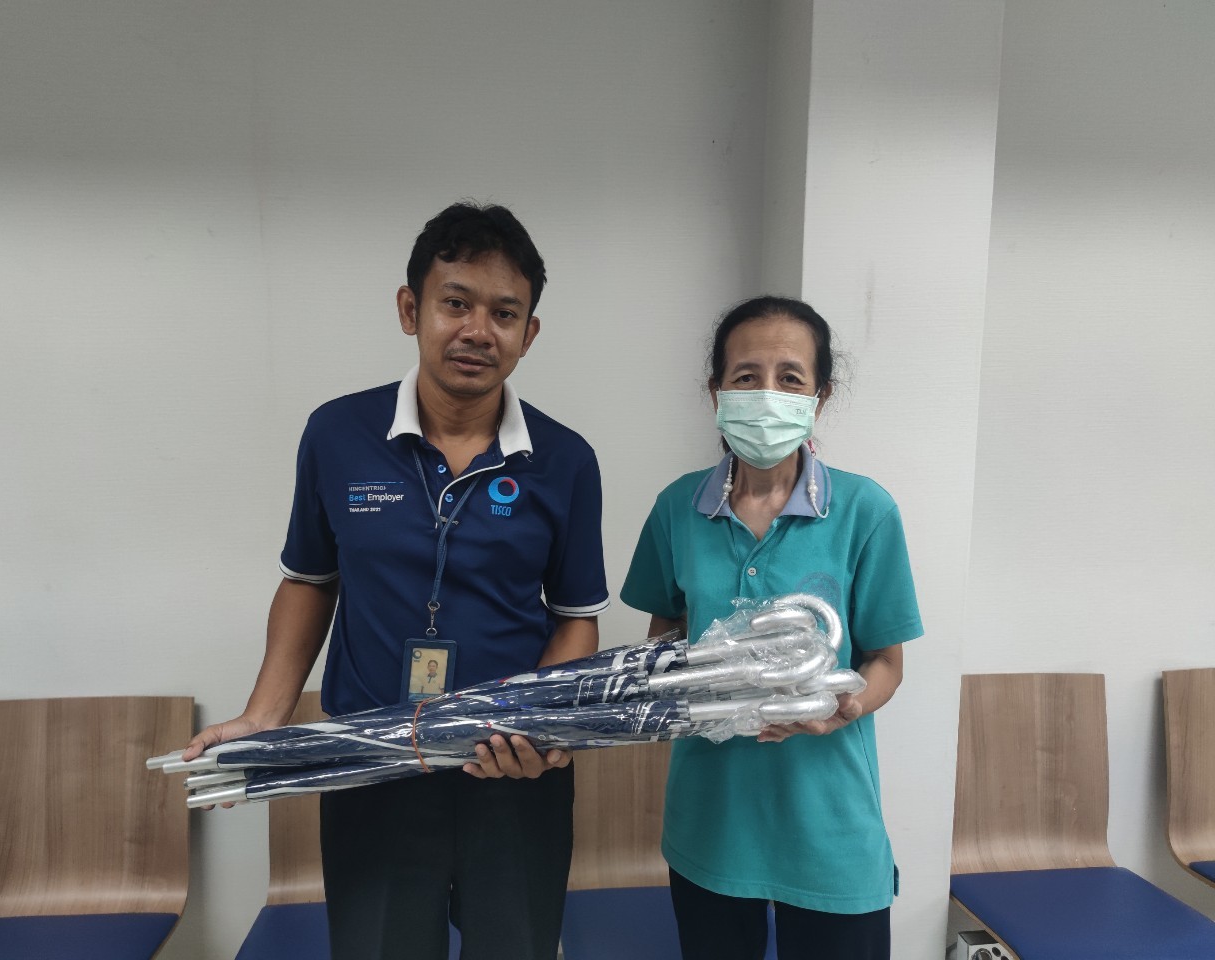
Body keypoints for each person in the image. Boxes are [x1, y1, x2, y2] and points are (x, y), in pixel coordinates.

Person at [181, 202, 609, 960]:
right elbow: (310, 580)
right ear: (411, 310)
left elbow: (575, 616)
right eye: (456, 303)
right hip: (373, 761)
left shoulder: (565, 460)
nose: (478, 330)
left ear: (529, 333)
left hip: (508, 770)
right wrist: (265, 713)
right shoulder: (338, 433)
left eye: (504, 313)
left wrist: (539, 724)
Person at [620, 296, 921, 960]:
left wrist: (842, 710)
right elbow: (662, 640)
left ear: (819, 396)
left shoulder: (865, 511)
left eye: (789, 378)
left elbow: (887, 663)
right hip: (711, 825)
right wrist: (683, 681)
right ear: (717, 392)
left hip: (830, 828)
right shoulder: (676, 509)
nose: (767, 394)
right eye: (746, 376)